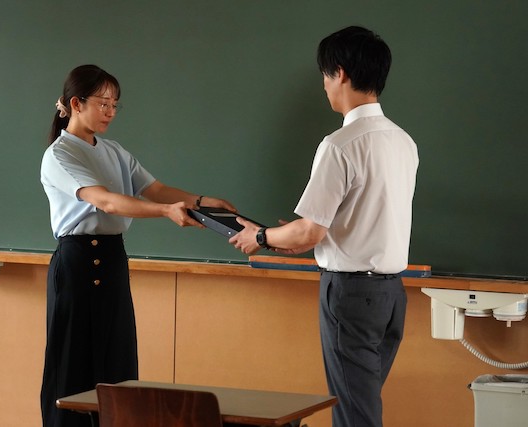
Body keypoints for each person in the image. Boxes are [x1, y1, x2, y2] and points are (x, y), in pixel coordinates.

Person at [229, 26, 419, 427]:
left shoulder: (340, 144)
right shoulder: (404, 141)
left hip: (350, 294)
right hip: (391, 296)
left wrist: (259, 236)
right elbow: (347, 222)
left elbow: (309, 232)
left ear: (341, 73)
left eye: (325, 75)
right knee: (361, 405)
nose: (325, 85)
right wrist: (300, 235)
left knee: (354, 415)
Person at [39, 64, 235, 427]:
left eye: (115, 105)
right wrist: (166, 212)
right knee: (72, 366)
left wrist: (201, 201)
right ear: (76, 104)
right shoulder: (60, 154)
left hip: (113, 260)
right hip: (77, 265)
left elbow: (156, 189)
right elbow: (107, 202)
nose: (110, 112)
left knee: (117, 362)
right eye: (103, 103)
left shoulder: (114, 151)